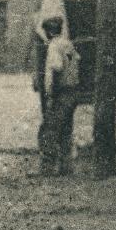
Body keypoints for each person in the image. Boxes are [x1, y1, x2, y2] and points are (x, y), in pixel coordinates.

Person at [38, 15, 79, 176]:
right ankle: (66, 166)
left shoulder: (54, 46)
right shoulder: (68, 44)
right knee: (66, 130)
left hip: (61, 92)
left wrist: (51, 96)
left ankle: (48, 168)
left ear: (48, 32)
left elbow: (56, 69)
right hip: (72, 91)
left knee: (49, 130)